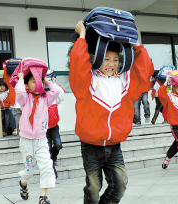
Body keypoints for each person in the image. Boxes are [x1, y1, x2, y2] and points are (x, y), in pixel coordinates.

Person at [69, 21, 154, 204]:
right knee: (93, 188)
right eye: (106, 59)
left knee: (121, 184)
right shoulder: (87, 81)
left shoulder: (124, 81)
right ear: (97, 58)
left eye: (115, 60)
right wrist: (82, 36)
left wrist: (136, 45)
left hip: (115, 145)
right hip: (91, 145)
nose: (111, 64)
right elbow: (78, 65)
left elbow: (145, 73)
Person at [15, 70, 59, 204]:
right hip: (27, 141)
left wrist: (47, 81)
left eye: (38, 81)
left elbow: (56, 91)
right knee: (29, 170)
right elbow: (20, 92)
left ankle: (43, 197)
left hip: (41, 140)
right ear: (27, 85)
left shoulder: (45, 99)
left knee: (47, 166)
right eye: (33, 81)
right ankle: (23, 182)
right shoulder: (25, 99)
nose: (37, 84)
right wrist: (21, 79)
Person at [45, 72, 65, 184]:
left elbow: (61, 93)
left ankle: (54, 156)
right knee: (47, 152)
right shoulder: (41, 99)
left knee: (58, 144)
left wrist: (53, 82)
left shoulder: (55, 98)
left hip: (54, 127)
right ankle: (54, 175)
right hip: (44, 130)